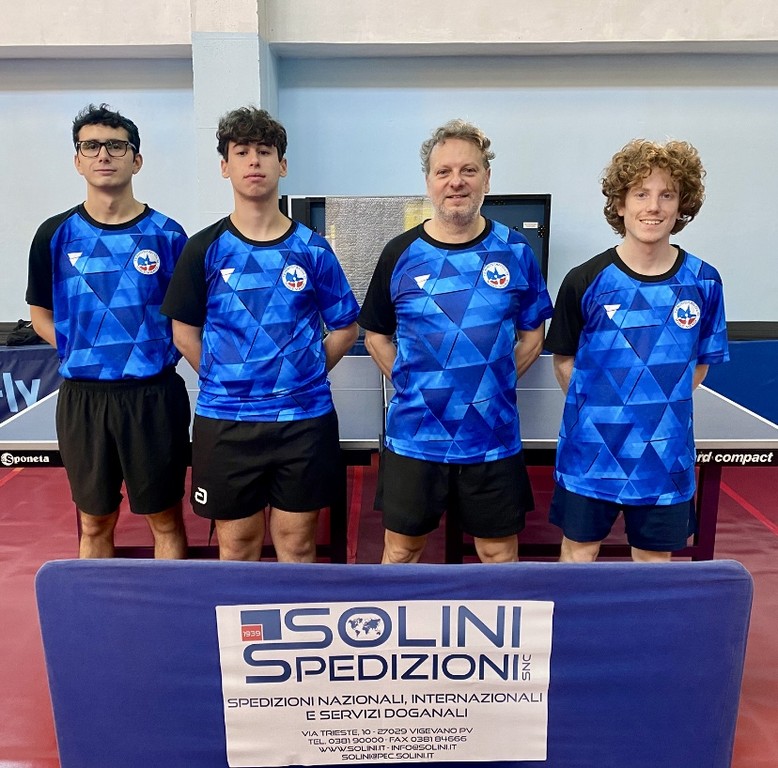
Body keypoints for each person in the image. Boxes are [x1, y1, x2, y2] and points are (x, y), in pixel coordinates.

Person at [161, 107, 359, 562]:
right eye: (242, 152)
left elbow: (346, 328)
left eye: (265, 152)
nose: (254, 161)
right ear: (225, 166)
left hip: (303, 421)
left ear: (282, 165)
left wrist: (306, 372)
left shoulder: (313, 249)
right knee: (237, 545)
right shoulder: (203, 247)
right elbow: (184, 331)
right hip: (226, 422)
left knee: (298, 543)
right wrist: (224, 378)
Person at [359, 119, 554, 564]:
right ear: (429, 181)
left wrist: (492, 383)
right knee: (402, 550)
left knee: (498, 552)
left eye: (469, 170)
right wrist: (413, 383)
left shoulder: (516, 251)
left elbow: (532, 334)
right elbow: (376, 336)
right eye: (443, 171)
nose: (456, 182)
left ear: (487, 178)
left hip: (492, 436)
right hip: (414, 436)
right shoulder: (399, 253)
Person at [545, 139, 729, 563]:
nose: (654, 207)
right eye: (641, 194)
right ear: (620, 204)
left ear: (682, 205)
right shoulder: (585, 279)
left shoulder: (704, 282)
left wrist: (651, 411)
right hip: (590, 454)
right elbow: (564, 361)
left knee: (654, 566)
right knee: (578, 556)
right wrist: (606, 412)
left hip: (665, 459)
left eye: (667, 195)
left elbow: (699, 365)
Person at [26, 103, 190, 559]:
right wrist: (80, 348)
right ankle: (99, 606)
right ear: (77, 160)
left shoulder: (169, 236)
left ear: (136, 160)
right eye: (91, 146)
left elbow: (187, 319)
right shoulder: (54, 235)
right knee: (94, 522)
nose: (103, 154)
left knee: (165, 519)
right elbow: (40, 313)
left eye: (116, 146)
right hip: (84, 400)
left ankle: (166, 603)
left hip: (153, 398)